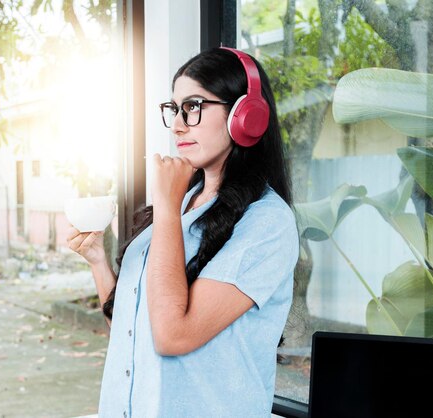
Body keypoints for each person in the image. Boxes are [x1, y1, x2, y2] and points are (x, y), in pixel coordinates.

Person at [67, 47, 299, 418]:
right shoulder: (182, 201)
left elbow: (173, 335)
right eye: (173, 109)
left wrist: (165, 206)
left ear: (245, 116)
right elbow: (133, 330)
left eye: (192, 107)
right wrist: (98, 260)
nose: (177, 125)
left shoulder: (267, 222)